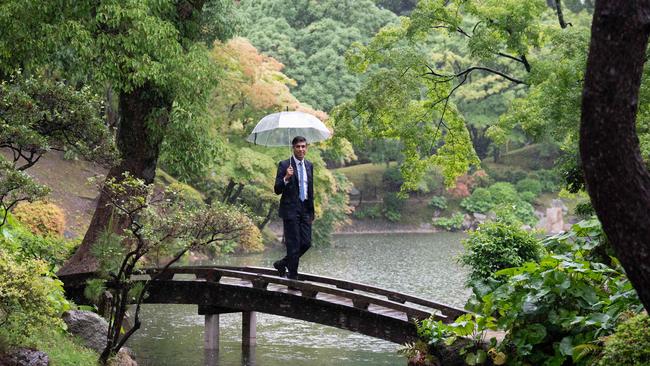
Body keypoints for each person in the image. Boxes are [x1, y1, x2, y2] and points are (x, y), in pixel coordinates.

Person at [273, 136, 315, 282]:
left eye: (303, 146)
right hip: (290, 210)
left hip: (305, 209)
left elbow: (310, 190)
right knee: (293, 243)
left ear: (306, 148)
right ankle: (293, 275)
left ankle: (282, 263)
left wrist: (311, 212)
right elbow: (277, 189)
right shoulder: (285, 165)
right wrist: (286, 177)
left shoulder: (309, 165)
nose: (301, 149)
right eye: (298, 146)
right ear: (293, 148)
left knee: (306, 243)